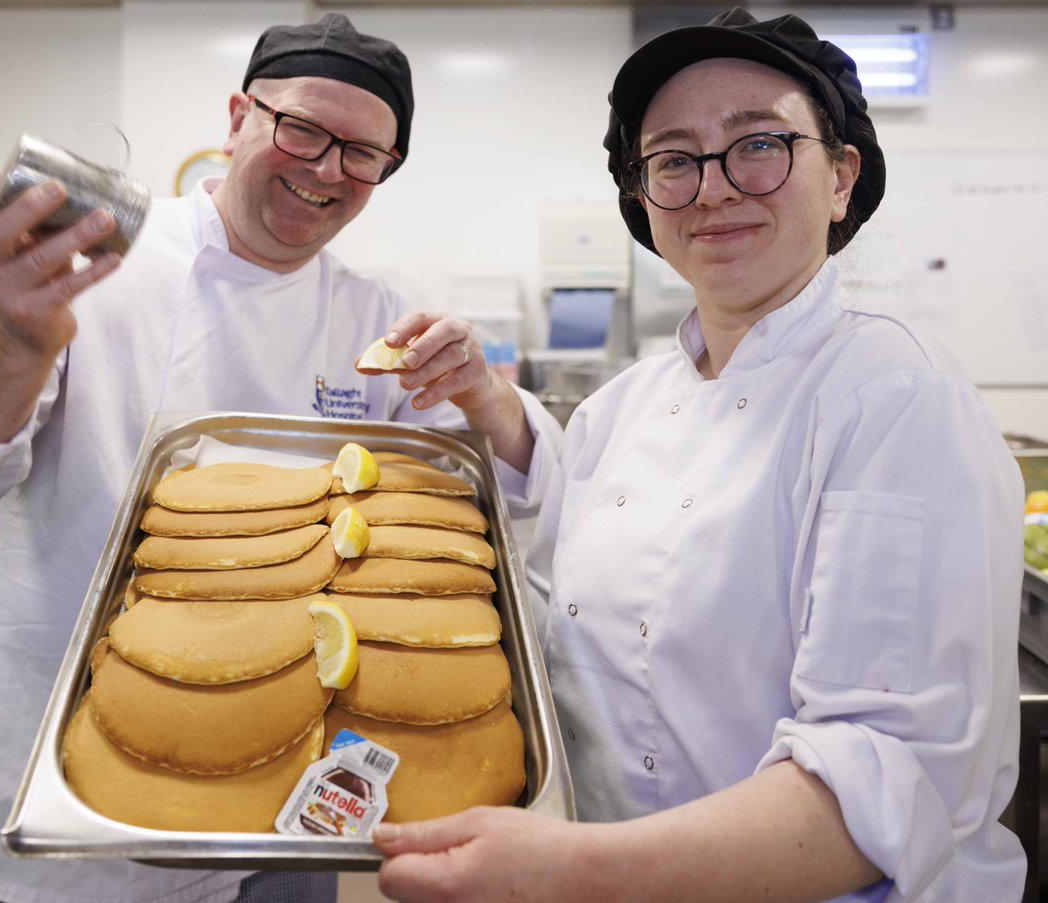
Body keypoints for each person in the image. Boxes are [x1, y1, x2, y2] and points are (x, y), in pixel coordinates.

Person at [0, 13, 560, 903]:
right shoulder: (85, 258)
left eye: (363, 154)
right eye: (302, 129)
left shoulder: (373, 315)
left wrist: (490, 397)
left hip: (286, 818)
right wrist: (17, 335)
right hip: (58, 811)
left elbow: (480, 505)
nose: (326, 170)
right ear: (238, 116)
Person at [374, 8, 1026, 902]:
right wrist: (487, 400)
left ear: (841, 178)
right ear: (644, 197)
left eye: (758, 144)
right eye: (674, 159)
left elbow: (882, 784)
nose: (713, 188)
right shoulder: (632, 401)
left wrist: (571, 869)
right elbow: (578, 527)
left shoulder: (894, 399)